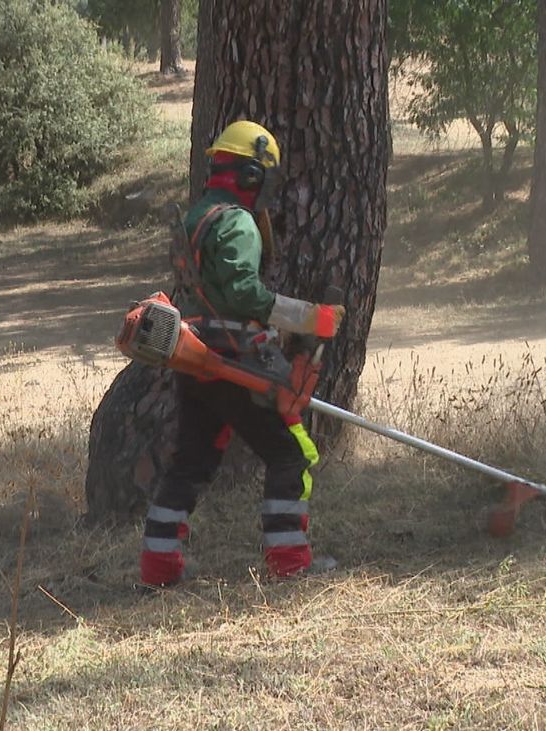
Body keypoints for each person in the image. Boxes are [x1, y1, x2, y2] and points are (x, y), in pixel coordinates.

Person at [140, 120, 346, 586]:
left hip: (193, 357)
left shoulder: (198, 216)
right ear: (252, 176)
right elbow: (244, 294)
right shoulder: (235, 220)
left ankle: (158, 567)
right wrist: (311, 319)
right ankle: (290, 563)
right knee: (292, 453)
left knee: (191, 460)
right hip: (232, 360)